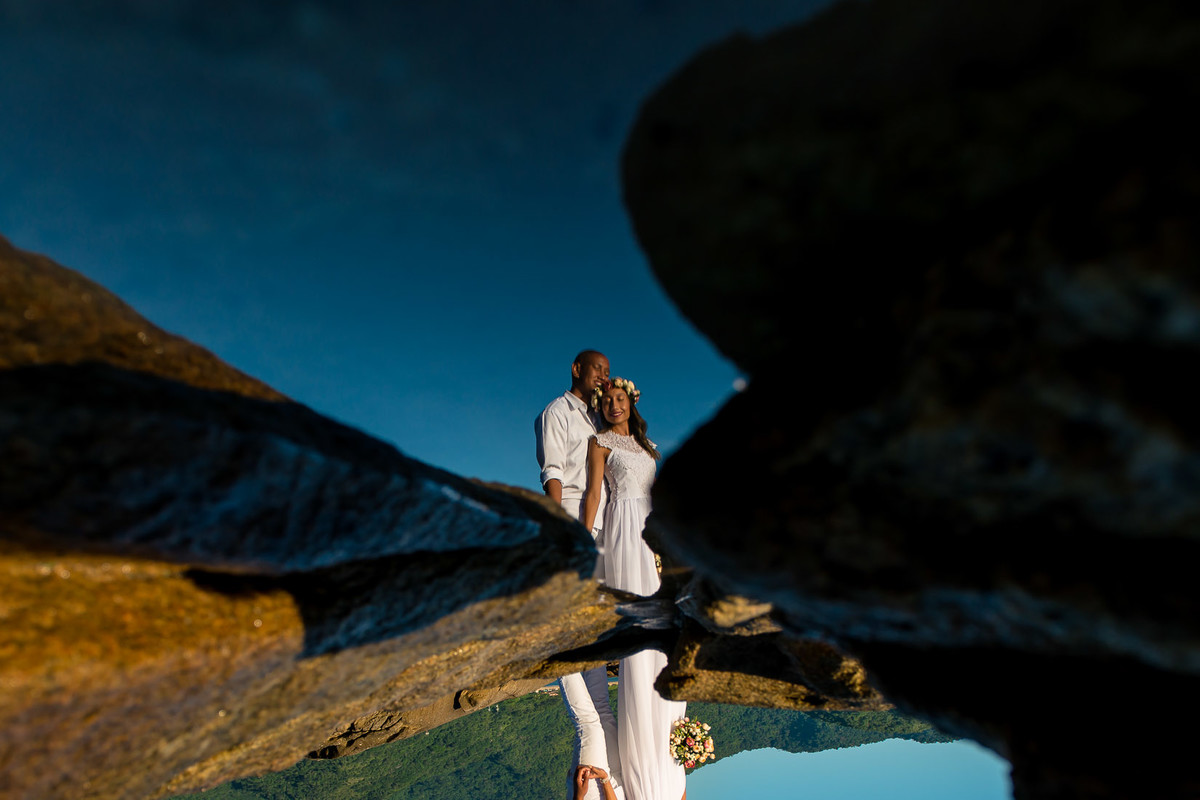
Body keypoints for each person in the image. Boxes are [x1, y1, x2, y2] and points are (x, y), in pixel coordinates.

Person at [582, 377, 687, 800]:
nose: (614, 405)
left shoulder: (648, 447)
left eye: (619, 398)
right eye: (607, 401)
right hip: (625, 530)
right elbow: (594, 494)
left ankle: (655, 721)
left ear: (631, 402)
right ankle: (646, 727)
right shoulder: (599, 443)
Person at [536, 350, 623, 800]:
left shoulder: (602, 418)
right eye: (597, 370)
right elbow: (552, 470)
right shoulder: (557, 412)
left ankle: (597, 770)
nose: (603, 376)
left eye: (608, 371)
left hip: (607, 526)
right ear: (577, 369)